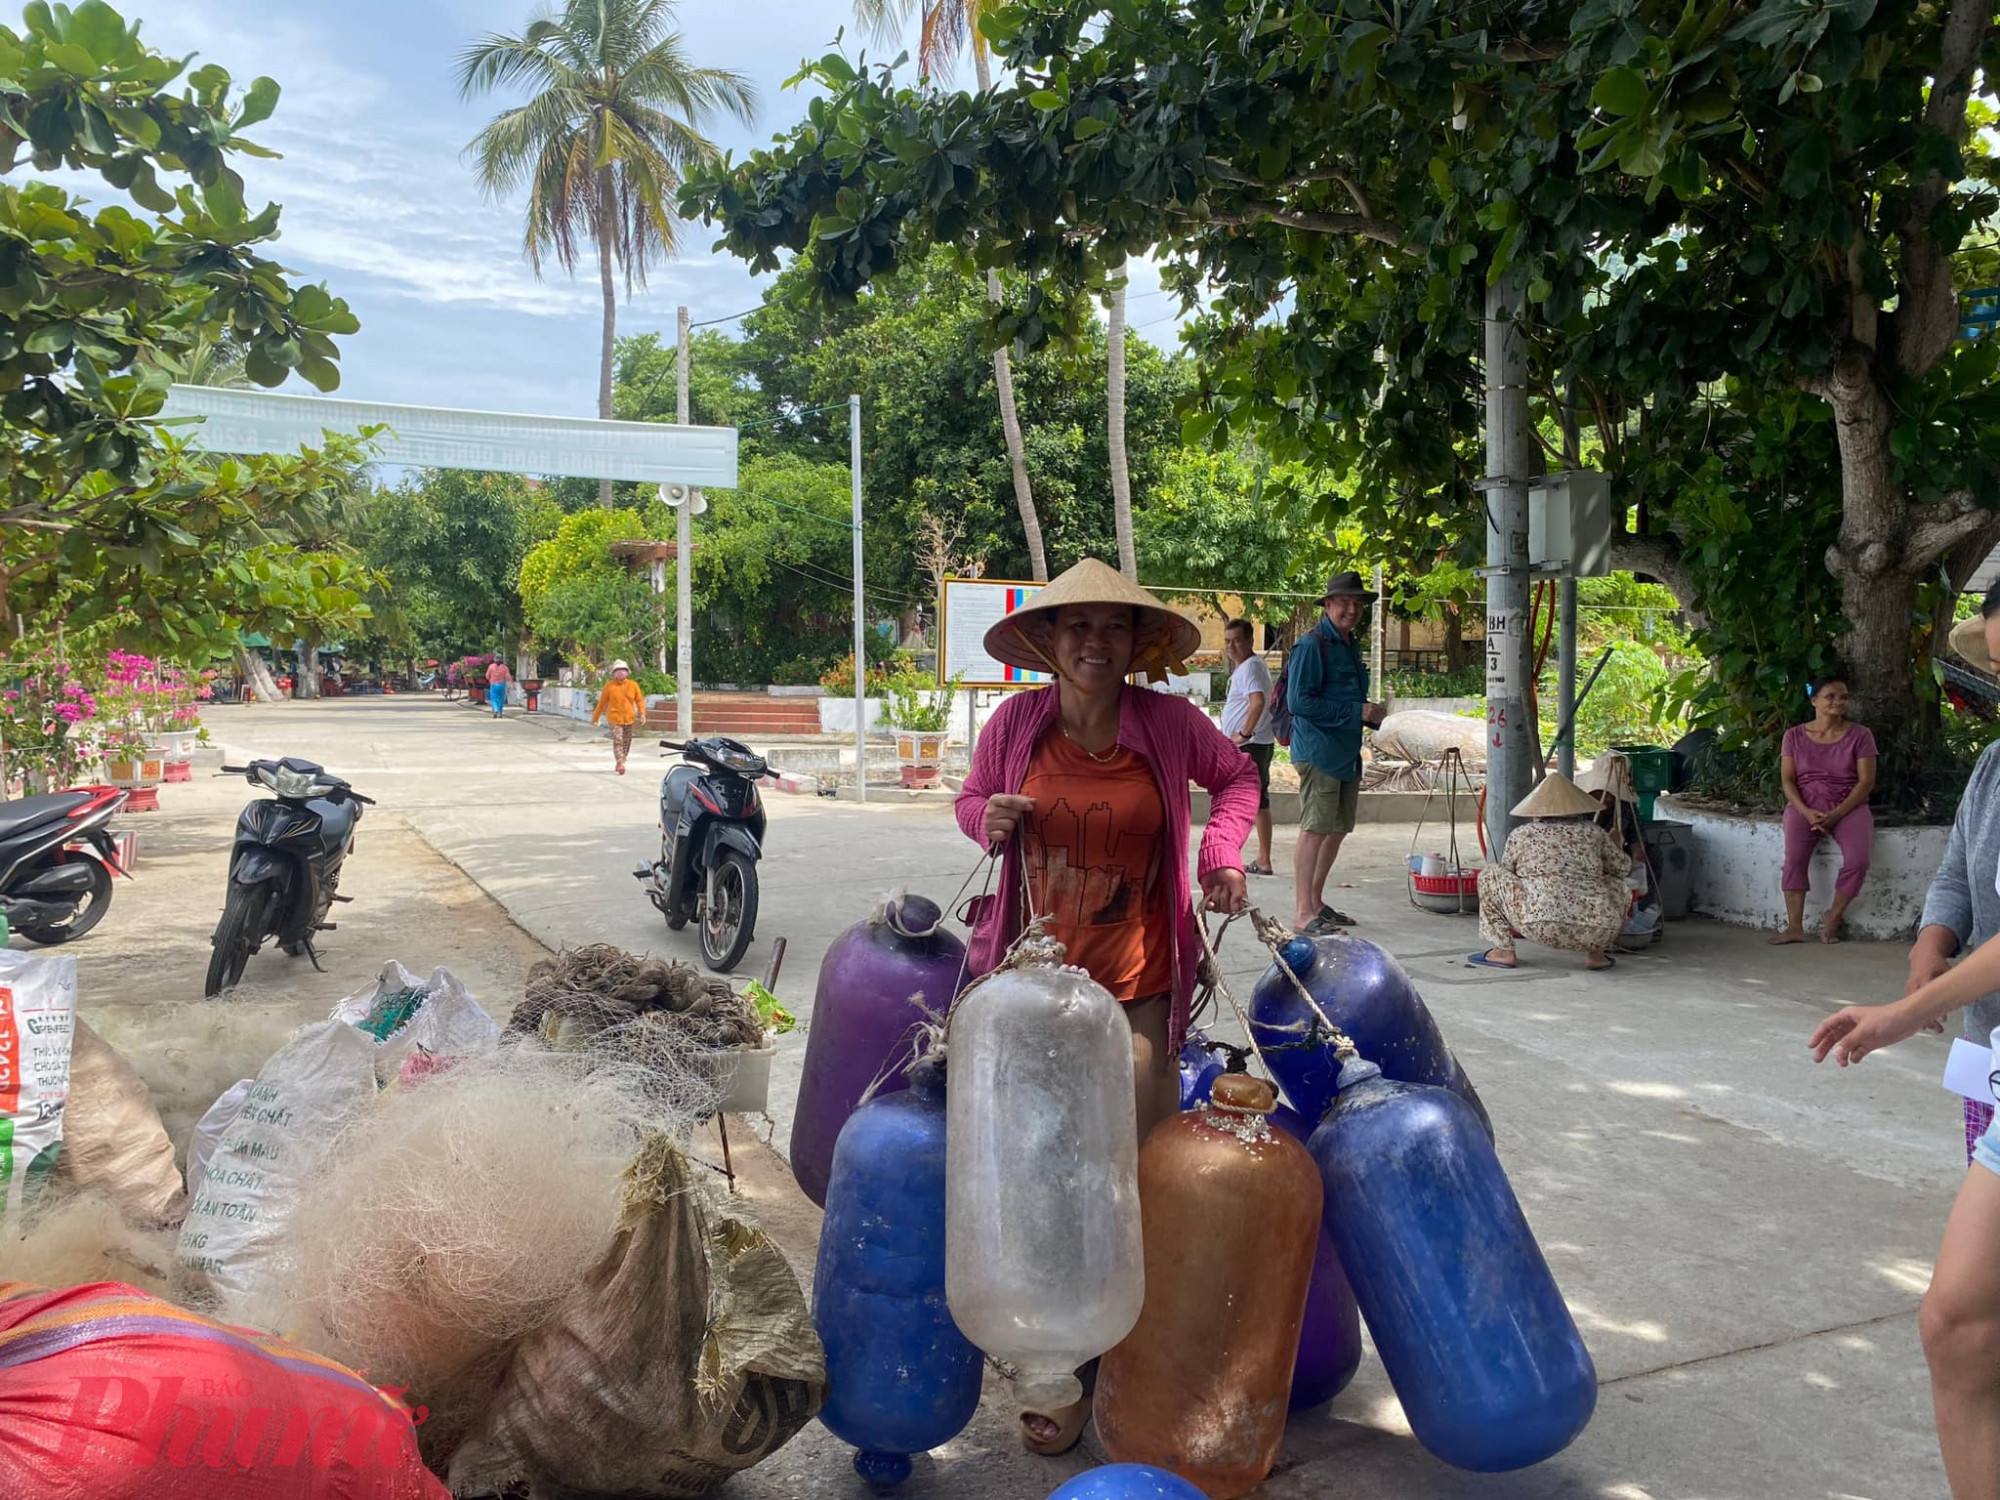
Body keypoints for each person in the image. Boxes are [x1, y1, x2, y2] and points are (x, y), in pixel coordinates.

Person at [955, 557, 1258, 1456]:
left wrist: (1221, 857)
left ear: (1137, 645)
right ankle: (1058, 1367)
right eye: (1076, 626)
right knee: (1035, 1182)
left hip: (1135, 992)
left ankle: (1127, 1371)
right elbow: (973, 800)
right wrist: (988, 819)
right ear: (1047, 642)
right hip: (1030, 998)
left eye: (1113, 628)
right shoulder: (1016, 724)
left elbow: (1238, 778)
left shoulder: (1167, 723)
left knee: (1122, 1185)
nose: (1094, 642)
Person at [1917, 593, 2000, 1165]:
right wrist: (1931, 944)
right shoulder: (1993, 764)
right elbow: (1956, 872)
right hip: (1987, 1042)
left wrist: (1894, 1020)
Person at [1287, 571, 1385, 934]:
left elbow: (1343, 697)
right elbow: (1299, 703)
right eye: (1344, 602)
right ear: (1327, 605)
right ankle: (1301, 914)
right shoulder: (1312, 645)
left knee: (1337, 828)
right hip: (1319, 752)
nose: (1352, 609)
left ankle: (1315, 903)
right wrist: (1354, 712)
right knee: (1315, 829)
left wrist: (1368, 713)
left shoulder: (1348, 644)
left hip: (1345, 752)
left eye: (1357, 603)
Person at [1467, 773, 1628, 972]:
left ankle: (1503, 950)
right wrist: (1615, 845)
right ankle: (1597, 954)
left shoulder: (1522, 834)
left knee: (1491, 875)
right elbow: (1622, 869)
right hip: (1599, 929)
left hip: (1540, 924)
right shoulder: (1595, 833)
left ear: (1537, 810)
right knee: (1618, 883)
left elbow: (1507, 873)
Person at [1770, 679, 1878, 945]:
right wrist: (1805, 812)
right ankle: (1794, 926)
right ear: (1814, 701)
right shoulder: (1793, 736)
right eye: (1830, 696)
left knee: (1858, 861)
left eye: (1843, 696)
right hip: (1804, 804)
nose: (1838, 701)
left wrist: (1837, 814)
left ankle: (1834, 916)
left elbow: (1866, 782)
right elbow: (1787, 781)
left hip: (1849, 806)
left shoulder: (1861, 735)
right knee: (1794, 860)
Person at [1577, 751, 1661, 942]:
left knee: (1654, 853)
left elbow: (1636, 838)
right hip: (1586, 859)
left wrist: (1637, 859)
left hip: (1617, 856)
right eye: (1603, 794)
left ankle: (1641, 913)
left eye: (1611, 796)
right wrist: (1606, 842)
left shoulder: (1624, 806)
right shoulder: (1580, 806)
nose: (1608, 800)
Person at [1220, 618, 1276, 875]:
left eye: (1237, 640)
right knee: (1255, 802)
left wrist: (1243, 734)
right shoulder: (1246, 667)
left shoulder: (1252, 667)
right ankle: (1260, 858)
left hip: (1251, 745)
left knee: (1248, 802)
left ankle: (1259, 858)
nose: (1231, 646)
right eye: (1227, 641)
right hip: (1252, 744)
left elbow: (1257, 702)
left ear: (1250, 641)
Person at [592, 659, 646, 775]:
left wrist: (642, 714)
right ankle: (620, 762)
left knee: (627, 741)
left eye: (623, 670)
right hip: (614, 718)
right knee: (618, 740)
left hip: (629, 719)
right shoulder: (609, 686)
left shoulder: (633, 685)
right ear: (614, 673)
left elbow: (639, 700)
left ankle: (621, 760)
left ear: (627, 672)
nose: (621, 672)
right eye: (618, 670)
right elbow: (602, 703)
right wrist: (595, 718)